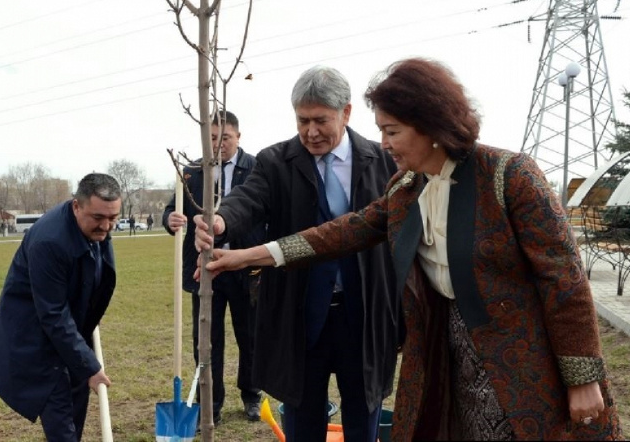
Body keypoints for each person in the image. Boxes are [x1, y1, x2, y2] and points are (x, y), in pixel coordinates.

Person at [199, 58, 623, 441]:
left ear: (431, 125)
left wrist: (581, 376)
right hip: (447, 356)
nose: (383, 143)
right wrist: (243, 255)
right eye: (382, 130)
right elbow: (339, 233)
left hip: (521, 361)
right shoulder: (407, 189)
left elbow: (564, 280)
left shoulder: (510, 177)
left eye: (392, 131)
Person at [194, 66, 400, 442]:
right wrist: (221, 221)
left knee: (364, 412)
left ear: (347, 113)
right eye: (303, 120)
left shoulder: (381, 161)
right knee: (302, 415)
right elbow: (248, 199)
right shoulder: (276, 162)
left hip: (365, 313)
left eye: (321, 120)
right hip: (300, 315)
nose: (311, 132)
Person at [0, 173, 122, 441]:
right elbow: (53, 315)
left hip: (69, 334)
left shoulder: (96, 225)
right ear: (76, 206)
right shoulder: (49, 242)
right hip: (37, 343)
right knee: (63, 427)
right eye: (98, 218)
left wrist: (89, 315)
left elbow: (96, 273)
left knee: (75, 416)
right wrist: (90, 367)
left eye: (113, 218)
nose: (106, 227)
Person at [162, 110, 264, 423]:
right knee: (206, 340)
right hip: (205, 271)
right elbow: (171, 208)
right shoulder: (192, 170)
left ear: (238, 137)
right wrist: (171, 219)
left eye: (225, 138)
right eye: (213, 139)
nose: (219, 145)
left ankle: (251, 395)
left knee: (251, 337)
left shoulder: (257, 168)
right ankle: (211, 403)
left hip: (246, 268)